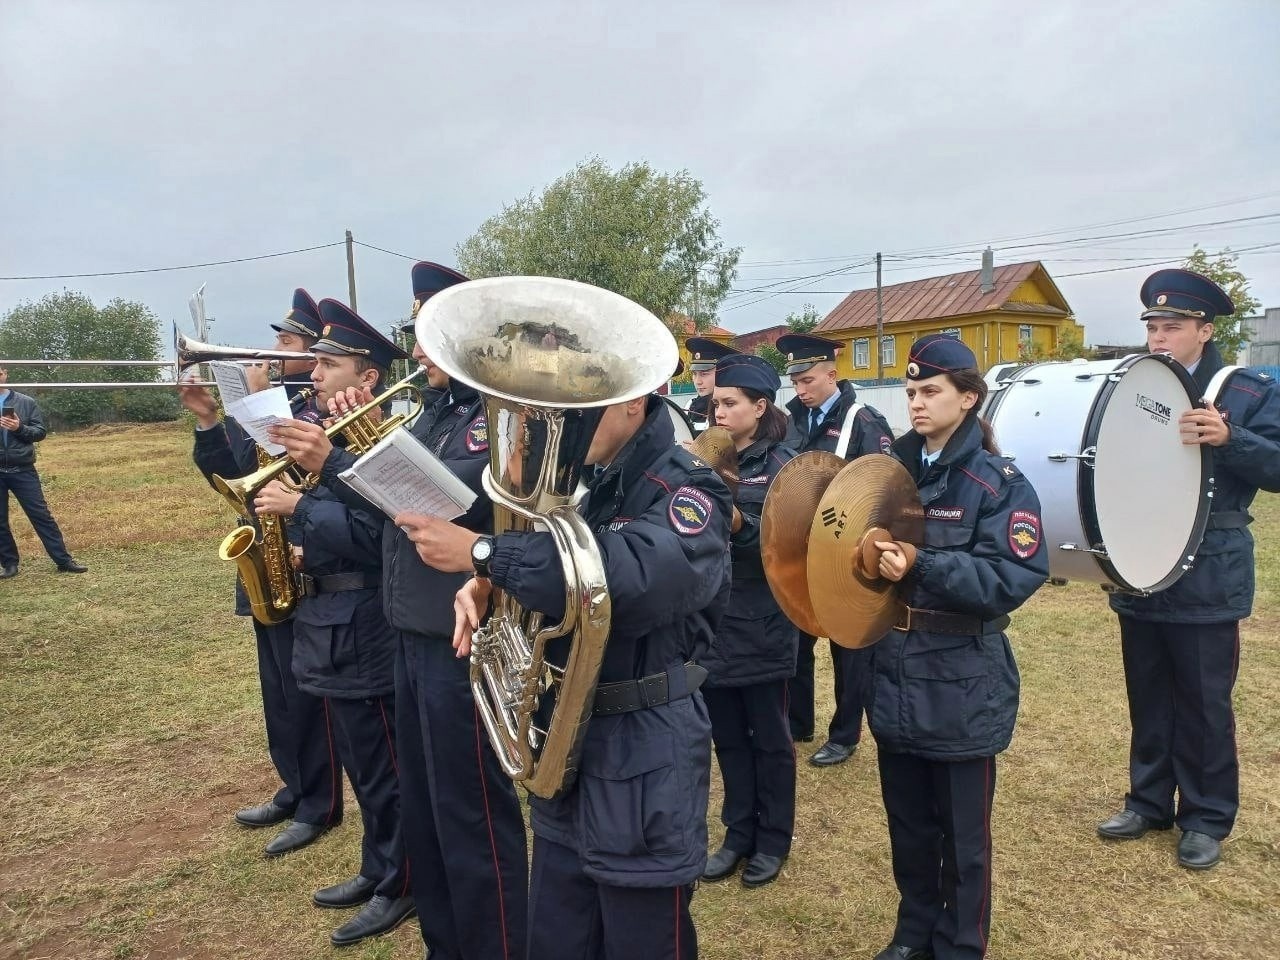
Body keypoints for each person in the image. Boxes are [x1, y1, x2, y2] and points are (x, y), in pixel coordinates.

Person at [272, 262, 528, 960]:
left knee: (472, 815)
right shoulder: (433, 413)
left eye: (429, 333)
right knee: (425, 809)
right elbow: (393, 513)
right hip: (409, 633)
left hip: (461, 641)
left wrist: (335, 463)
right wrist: (357, 450)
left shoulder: (498, 418)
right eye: (417, 334)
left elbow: (472, 516)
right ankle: (446, 943)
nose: (416, 349)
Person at [452, 388, 733, 960]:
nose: (562, 427)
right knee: (556, 938)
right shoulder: (587, 482)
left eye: (577, 411)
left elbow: (633, 580)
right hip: (570, 749)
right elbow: (561, 576)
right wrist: (492, 585)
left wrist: (487, 555)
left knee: (643, 940)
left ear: (634, 401)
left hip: (644, 752)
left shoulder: (688, 488)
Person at [864, 334, 1048, 960]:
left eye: (930, 391)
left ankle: (962, 945)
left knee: (963, 838)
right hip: (894, 670)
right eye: (911, 391)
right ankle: (914, 933)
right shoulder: (888, 475)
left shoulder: (996, 484)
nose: (915, 403)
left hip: (962, 678)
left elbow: (1010, 578)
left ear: (968, 398)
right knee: (909, 826)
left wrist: (923, 563)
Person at [1098, 269, 1280, 871]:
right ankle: (1148, 801)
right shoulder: (1132, 386)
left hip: (1209, 569)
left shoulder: (1247, 390)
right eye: (1152, 327)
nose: (1158, 337)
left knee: (1204, 702)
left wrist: (1231, 438)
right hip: (1140, 561)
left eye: (1172, 327)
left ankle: (1205, 816)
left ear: (1205, 331)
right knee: (1148, 693)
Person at [258, 300, 416, 945]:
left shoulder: (381, 441)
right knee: (361, 760)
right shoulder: (330, 431)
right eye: (316, 362)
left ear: (367, 377)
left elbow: (383, 536)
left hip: (367, 622)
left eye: (329, 364)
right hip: (329, 619)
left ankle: (401, 882)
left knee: (386, 766)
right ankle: (379, 867)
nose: (314, 373)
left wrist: (301, 507)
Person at [180, 289, 343, 857]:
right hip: (265, 555)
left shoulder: (322, 408)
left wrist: (260, 403)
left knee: (307, 693)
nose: (272, 352)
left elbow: (310, 474)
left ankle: (320, 802)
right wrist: (209, 420)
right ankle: (294, 786)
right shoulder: (275, 401)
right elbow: (231, 475)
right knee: (276, 689)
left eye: (287, 342)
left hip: (305, 559)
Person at [698, 354, 799, 890]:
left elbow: (790, 547)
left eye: (730, 403)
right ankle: (737, 834)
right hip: (712, 620)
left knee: (770, 740)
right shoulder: (703, 458)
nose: (718, 412)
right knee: (728, 738)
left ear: (760, 407)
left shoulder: (785, 467)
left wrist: (740, 524)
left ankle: (773, 839)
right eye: (716, 403)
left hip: (762, 621)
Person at [776, 333, 894, 766]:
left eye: (808, 380)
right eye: (796, 382)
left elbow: (885, 485)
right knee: (797, 639)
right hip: (801, 550)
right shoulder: (790, 419)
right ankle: (798, 722)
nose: (801, 389)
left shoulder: (862, 421)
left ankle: (845, 734)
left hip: (846, 552)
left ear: (832, 374)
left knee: (849, 649)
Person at [0, 365, 88, 577]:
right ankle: (9, 564)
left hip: (22, 469)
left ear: (5, 374)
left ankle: (63, 560)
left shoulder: (25, 402)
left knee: (41, 516)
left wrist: (19, 428)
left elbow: (40, 433)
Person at [685, 337, 740, 432]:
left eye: (704, 374)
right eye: (694, 374)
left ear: (722, 374)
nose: (698, 381)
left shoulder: (734, 409)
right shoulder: (691, 405)